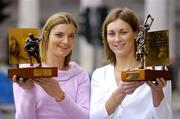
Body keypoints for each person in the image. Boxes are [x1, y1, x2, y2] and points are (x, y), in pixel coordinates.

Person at [90, 7, 172, 119]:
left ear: (136, 34)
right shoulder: (99, 75)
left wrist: (157, 92)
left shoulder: (157, 70)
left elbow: (166, 117)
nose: (117, 39)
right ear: (106, 37)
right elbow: (94, 117)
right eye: (111, 34)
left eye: (123, 32)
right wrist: (121, 92)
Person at [12, 12, 90, 119]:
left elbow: (85, 117)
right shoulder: (25, 72)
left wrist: (59, 95)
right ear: (46, 35)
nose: (66, 41)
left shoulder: (79, 74)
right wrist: (28, 90)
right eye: (59, 35)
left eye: (71, 36)